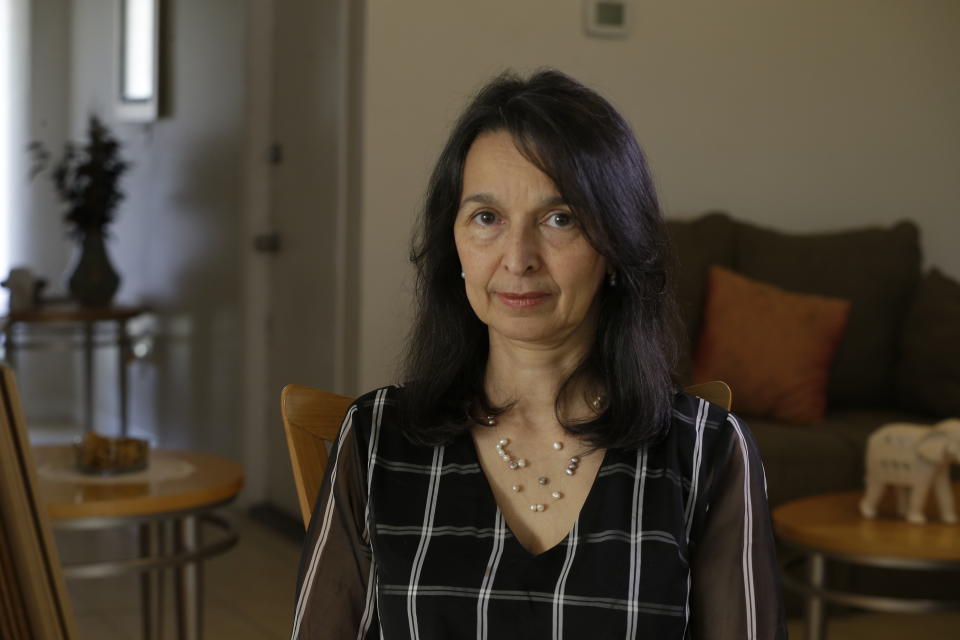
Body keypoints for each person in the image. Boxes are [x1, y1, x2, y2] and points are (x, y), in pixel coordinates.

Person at [291, 69, 786, 639]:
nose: (518, 257)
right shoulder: (376, 438)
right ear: (452, 242)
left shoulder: (707, 452)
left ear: (617, 245)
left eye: (560, 219)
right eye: (487, 218)